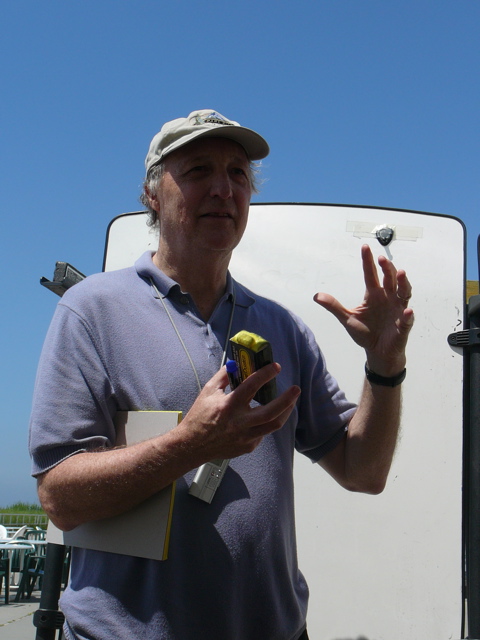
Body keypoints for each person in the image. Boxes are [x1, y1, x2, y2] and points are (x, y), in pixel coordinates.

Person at [29, 109, 414, 640]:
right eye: (198, 170)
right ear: (151, 194)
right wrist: (190, 445)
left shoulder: (284, 327)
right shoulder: (92, 311)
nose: (223, 189)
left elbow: (363, 471)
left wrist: (385, 366)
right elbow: (60, 499)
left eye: (237, 173)